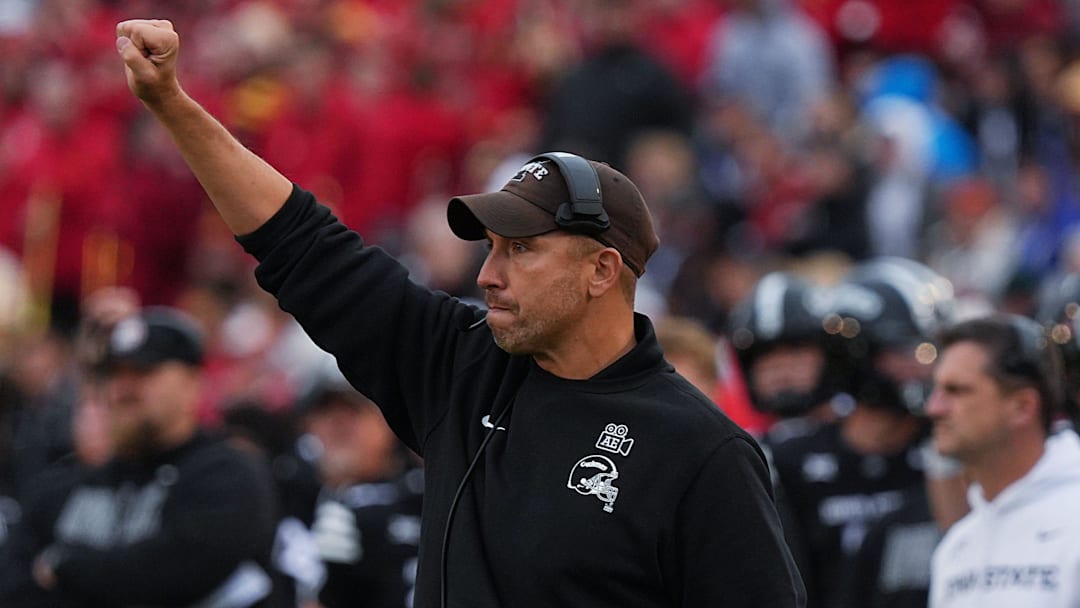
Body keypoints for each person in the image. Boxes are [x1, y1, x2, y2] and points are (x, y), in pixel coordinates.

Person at [114, 18, 805, 608]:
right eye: (492, 248)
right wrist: (174, 105)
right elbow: (303, 246)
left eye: (522, 250)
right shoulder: (459, 361)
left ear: (602, 270)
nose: (489, 274)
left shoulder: (703, 452)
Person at [0, 307, 280, 607]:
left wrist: (63, 566)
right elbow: (14, 588)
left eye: (143, 372)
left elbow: (175, 576)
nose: (123, 388)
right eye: (114, 374)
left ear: (193, 383)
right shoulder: (64, 485)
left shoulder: (227, 474)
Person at [926, 314, 1080, 608]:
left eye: (956, 390)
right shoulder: (957, 546)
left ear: (1023, 406)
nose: (934, 407)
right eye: (936, 389)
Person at [299, 370, 422, 608]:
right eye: (325, 411)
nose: (338, 424)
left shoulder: (420, 498)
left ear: (387, 421)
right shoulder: (288, 488)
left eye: (353, 411)